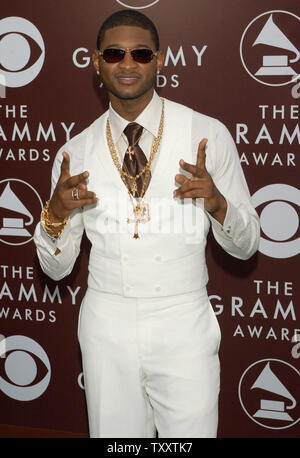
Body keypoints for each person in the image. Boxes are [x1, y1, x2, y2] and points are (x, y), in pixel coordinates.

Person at [34, 9, 260, 438]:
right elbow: (56, 269)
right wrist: (56, 216)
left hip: (183, 323)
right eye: (115, 53)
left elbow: (247, 246)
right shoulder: (75, 152)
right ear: (96, 63)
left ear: (160, 61)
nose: (127, 63)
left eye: (140, 53)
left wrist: (218, 203)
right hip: (106, 326)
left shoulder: (206, 134)